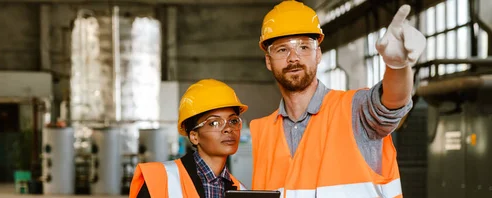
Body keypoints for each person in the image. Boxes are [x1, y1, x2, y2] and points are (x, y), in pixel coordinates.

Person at [249, 1, 425, 197]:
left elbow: (392, 103)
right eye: (282, 50)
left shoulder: (355, 111)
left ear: (318, 54)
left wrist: (397, 66)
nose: (293, 58)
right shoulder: (263, 132)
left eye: (304, 47)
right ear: (268, 61)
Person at [130, 79, 249, 198]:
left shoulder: (241, 191)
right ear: (194, 136)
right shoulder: (159, 179)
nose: (228, 128)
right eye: (214, 123)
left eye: (233, 121)